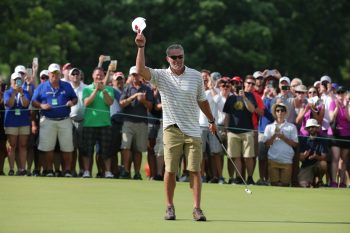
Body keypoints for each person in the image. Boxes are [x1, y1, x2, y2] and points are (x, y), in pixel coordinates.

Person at [135, 33, 216, 221]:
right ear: (168, 59)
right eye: (174, 57)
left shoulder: (196, 76)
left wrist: (211, 121)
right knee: (170, 170)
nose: (178, 60)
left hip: (193, 130)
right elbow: (140, 70)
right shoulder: (161, 75)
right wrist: (141, 47)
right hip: (171, 128)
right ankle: (169, 207)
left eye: (180, 57)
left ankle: (197, 208)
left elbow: (202, 101)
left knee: (195, 170)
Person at [31, 63, 77, 177]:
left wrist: (72, 102)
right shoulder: (42, 87)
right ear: (49, 74)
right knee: (48, 147)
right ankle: (49, 170)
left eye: (56, 73)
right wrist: (41, 105)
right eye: (52, 73)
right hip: (47, 120)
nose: (54, 75)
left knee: (67, 147)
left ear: (59, 73)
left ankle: (66, 170)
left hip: (65, 120)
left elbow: (74, 98)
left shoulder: (66, 85)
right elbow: (33, 101)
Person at [119, 66, 153, 180]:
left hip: (142, 123)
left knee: (138, 149)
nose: (135, 77)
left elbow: (150, 107)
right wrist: (133, 97)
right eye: (133, 75)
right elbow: (122, 103)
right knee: (125, 147)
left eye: (137, 74)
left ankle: (137, 173)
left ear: (141, 76)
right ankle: (126, 171)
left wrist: (143, 101)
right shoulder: (127, 88)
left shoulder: (147, 89)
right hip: (128, 122)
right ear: (130, 76)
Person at [223, 76, 257, 185]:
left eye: (237, 83)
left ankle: (250, 177)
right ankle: (238, 178)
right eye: (233, 83)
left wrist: (244, 98)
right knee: (235, 156)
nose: (235, 85)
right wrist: (226, 129)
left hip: (247, 130)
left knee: (248, 157)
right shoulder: (230, 98)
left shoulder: (249, 95)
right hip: (233, 131)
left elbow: (252, 110)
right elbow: (227, 115)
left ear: (241, 84)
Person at [82, 67, 114, 178]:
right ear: (93, 76)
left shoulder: (109, 89)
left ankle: (107, 171)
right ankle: (87, 171)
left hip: (105, 124)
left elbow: (110, 102)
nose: (99, 77)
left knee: (106, 151)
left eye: (101, 75)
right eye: (97, 75)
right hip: (89, 124)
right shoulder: (87, 89)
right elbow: (86, 103)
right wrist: (96, 90)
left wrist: (103, 90)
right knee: (88, 150)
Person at [263, 103, 298, 186]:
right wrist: (274, 136)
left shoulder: (291, 127)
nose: (280, 112)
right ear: (275, 112)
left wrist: (283, 137)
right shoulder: (269, 127)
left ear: (285, 113)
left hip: (287, 160)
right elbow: (266, 144)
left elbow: (295, 144)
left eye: (282, 110)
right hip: (273, 159)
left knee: (285, 184)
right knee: (274, 184)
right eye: (278, 110)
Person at [4, 72, 31, 175]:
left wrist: (21, 93)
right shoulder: (8, 92)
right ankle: (11, 169)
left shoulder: (25, 92)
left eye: (18, 80)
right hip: (11, 122)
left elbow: (25, 104)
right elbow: (9, 104)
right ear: (11, 81)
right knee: (12, 145)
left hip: (23, 122)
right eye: (15, 80)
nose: (16, 82)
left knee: (23, 146)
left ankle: (22, 169)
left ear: (21, 81)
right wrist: (14, 93)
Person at [329, 86, 350, 187]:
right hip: (335, 134)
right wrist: (337, 107)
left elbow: (349, 119)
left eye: (342, 93)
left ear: (345, 94)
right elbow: (331, 118)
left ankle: (342, 182)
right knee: (335, 158)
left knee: (344, 159)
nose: (340, 95)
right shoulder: (333, 103)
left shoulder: (348, 104)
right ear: (336, 95)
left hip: (347, 134)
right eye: (338, 93)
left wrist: (345, 107)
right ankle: (333, 181)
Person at [298, 119, 328, 188]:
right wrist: (304, 156)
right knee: (303, 184)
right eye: (309, 127)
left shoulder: (322, 140)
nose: (311, 129)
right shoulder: (303, 140)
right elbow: (300, 158)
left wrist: (316, 157)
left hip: (317, 164)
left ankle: (320, 180)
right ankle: (312, 181)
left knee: (323, 164)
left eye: (313, 127)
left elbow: (324, 157)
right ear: (307, 129)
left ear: (317, 128)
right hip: (306, 166)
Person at [69, 68, 87, 177]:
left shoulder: (86, 87)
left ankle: (82, 170)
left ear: (80, 76)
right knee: (72, 148)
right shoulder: (67, 87)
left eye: (77, 74)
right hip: (70, 121)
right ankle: (72, 170)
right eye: (73, 74)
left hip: (84, 121)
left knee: (83, 148)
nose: (75, 75)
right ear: (70, 76)